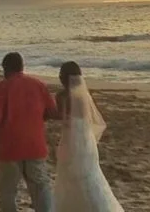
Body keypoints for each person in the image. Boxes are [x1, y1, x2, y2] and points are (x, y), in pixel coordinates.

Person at [0, 52, 60, 212]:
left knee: (8, 191)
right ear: (22, 67)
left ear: (6, 68)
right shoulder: (38, 84)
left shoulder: (2, 87)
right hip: (35, 146)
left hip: (10, 148)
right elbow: (52, 113)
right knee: (41, 188)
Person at [54, 62, 124, 212]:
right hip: (83, 139)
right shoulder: (81, 95)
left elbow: (66, 117)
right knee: (85, 174)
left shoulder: (65, 96)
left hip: (74, 139)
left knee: (77, 175)